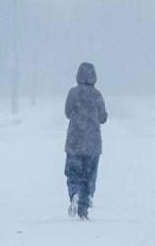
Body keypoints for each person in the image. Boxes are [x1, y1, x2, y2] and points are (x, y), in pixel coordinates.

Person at [64, 62, 108, 220]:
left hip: (74, 142)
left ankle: (74, 192)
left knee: (73, 173)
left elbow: (67, 113)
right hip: (92, 144)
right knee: (89, 175)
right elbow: (103, 118)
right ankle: (84, 207)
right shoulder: (97, 95)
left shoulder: (73, 93)